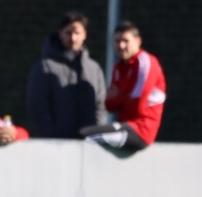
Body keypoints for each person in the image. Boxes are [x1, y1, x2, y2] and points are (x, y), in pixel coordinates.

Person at [80, 21, 166, 151]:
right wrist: (125, 96)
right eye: (117, 41)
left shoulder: (145, 62)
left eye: (126, 40)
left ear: (138, 41)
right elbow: (110, 105)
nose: (121, 45)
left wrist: (120, 96)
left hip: (141, 131)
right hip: (125, 126)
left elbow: (138, 105)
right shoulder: (118, 67)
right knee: (82, 134)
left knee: (86, 137)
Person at [26, 11, 106, 138]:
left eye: (77, 33)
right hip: (56, 146)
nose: (73, 38)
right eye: (68, 33)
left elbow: (100, 106)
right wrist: (51, 137)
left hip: (89, 147)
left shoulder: (94, 69)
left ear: (84, 34)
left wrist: (96, 135)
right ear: (60, 34)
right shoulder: (44, 67)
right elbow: (38, 108)